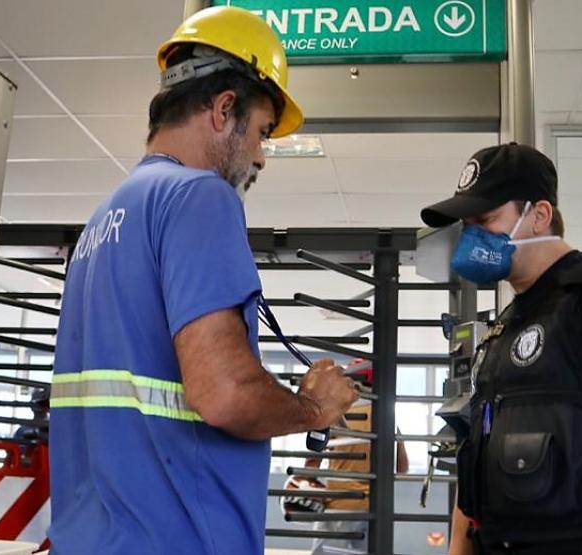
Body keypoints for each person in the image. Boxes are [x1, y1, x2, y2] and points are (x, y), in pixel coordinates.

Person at [47, 7, 359, 555]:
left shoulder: (102, 223)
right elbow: (224, 394)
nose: (260, 156)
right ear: (223, 109)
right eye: (262, 132)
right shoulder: (198, 197)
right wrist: (313, 409)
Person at [420, 143, 582, 555]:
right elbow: (478, 448)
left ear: (538, 215)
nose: (470, 235)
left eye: (486, 219)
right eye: (466, 223)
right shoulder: (504, 326)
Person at [300, 361, 409, 555]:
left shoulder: (335, 414)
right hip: (376, 509)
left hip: (339, 506)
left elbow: (311, 466)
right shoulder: (388, 421)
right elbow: (402, 467)